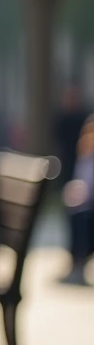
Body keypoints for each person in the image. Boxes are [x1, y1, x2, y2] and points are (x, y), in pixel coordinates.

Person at [61, 115, 94, 285]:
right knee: (75, 211)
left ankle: (79, 263)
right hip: (85, 202)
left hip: (90, 204)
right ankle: (76, 263)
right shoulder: (85, 157)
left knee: (82, 217)